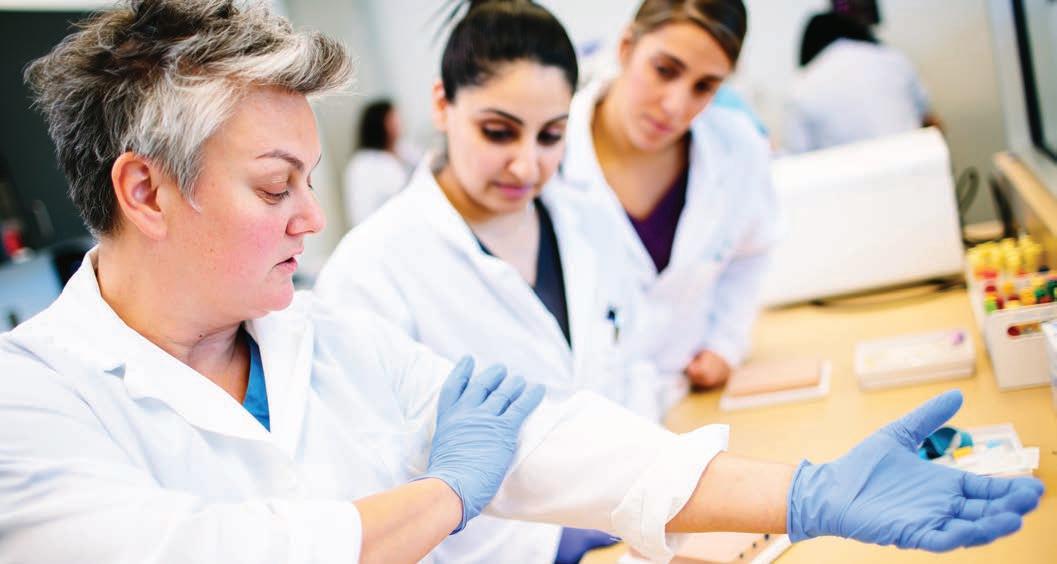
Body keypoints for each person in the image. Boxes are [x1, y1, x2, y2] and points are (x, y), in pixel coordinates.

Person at [0, 1, 1043, 563]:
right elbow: (214, 552)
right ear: (145, 189)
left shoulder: (319, 339)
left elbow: (548, 435)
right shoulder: (30, 405)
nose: (311, 220)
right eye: (276, 187)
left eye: (309, 182)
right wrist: (447, 496)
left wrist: (804, 492)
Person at [315, 2, 645, 561]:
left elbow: (634, 367)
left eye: (551, 136)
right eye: (498, 132)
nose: (526, 165)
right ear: (442, 105)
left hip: (629, 531)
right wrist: (553, 540)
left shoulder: (588, 221)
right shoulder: (370, 269)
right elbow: (376, 487)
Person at [560, 0, 776, 410]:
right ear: (626, 47)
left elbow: (751, 254)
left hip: (691, 397)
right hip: (582, 415)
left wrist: (725, 343)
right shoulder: (549, 154)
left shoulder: (738, 148)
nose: (676, 106)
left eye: (704, 87)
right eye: (664, 70)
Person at [783, 11, 942, 153]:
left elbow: (799, 158)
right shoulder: (892, 57)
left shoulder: (801, 87)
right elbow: (931, 123)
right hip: (918, 164)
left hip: (854, 175)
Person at [342, 99, 417, 227]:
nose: (399, 123)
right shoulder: (363, 164)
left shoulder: (404, 148)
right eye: (392, 119)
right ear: (379, 125)